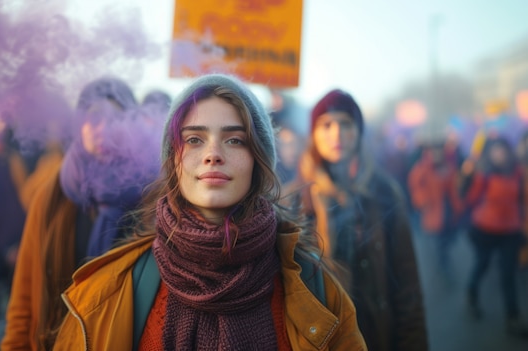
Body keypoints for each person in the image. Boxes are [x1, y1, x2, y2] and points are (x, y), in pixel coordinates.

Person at [51, 74, 366, 350]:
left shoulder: (319, 293)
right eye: (194, 139)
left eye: (234, 140)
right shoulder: (105, 295)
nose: (213, 154)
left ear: (259, 159)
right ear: (173, 160)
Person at [1, 76, 162, 351]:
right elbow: (25, 295)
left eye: (116, 118)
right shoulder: (53, 194)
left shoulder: (153, 195)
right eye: (94, 117)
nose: (103, 129)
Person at [285, 89, 428, 351]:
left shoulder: (384, 192)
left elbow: (407, 286)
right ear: (313, 135)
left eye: (346, 124)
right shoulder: (294, 200)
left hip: (377, 335)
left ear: (359, 132)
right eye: (326, 125)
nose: (336, 134)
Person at [460, 136, 528, 338]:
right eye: (495, 151)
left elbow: (523, 201)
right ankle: (471, 293)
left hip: (510, 231)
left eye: (502, 150)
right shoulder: (484, 176)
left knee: (508, 274)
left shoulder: (518, 174)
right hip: (485, 228)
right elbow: (469, 198)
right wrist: (467, 177)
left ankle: (512, 318)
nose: (499, 154)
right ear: (489, 154)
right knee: (482, 264)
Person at [408, 141, 464, 284]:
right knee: (439, 246)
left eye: (439, 151)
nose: (437, 154)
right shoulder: (421, 169)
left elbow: (454, 189)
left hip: (448, 212)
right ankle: (444, 269)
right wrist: (423, 202)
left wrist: (458, 206)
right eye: (434, 152)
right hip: (433, 212)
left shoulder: (448, 167)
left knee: (446, 242)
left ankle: (443, 266)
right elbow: (416, 188)